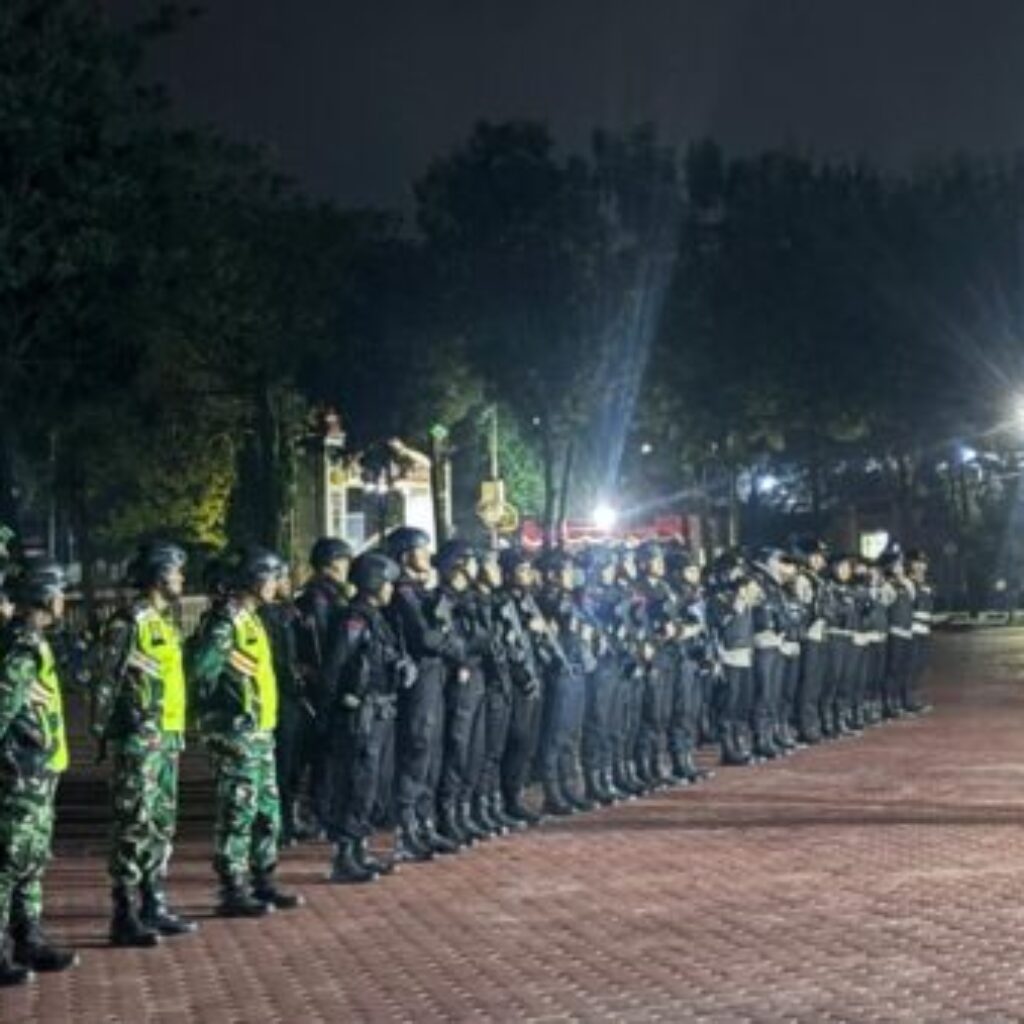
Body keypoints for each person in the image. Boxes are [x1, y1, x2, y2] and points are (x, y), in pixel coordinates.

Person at [189, 547, 303, 917]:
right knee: (238, 808)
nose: (277, 585)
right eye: (272, 577)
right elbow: (201, 672)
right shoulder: (225, 622)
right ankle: (232, 886)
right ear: (254, 579)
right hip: (235, 732)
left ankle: (263, 878)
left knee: (267, 808)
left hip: (259, 730)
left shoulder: (252, 618)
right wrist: (220, 714)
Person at [93, 541, 196, 947]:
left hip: (166, 738)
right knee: (132, 822)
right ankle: (125, 911)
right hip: (138, 739)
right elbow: (106, 680)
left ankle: (154, 900)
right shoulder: (129, 622)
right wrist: (105, 731)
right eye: (177, 572)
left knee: (160, 822)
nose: (182, 579)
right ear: (159, 575)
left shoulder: (163, 622)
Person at [0, 559, 78, 986]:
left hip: (39, 766)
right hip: (20, 771)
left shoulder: (34, 641)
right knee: (10, 860)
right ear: (45, 595)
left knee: (30, 859)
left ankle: (29, 938)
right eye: (60, 590)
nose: (64, 599)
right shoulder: (21, 646)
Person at [324, 552, 411, 883]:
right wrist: (337, 706)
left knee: (373, 783)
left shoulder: (378, 618)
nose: (391, 589)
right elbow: (335, 667)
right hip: (361, 713)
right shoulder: (355, 619)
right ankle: (346, 854)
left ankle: (360, 847)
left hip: (382, 710)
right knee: (357, 782)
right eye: (387, 582)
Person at [385, 527, 460, 861]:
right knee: (417, 751)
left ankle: (425, 823)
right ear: (404, 555)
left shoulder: (417, 590)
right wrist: (451, 645)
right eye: (421, 549)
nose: (427, 555)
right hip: (418, 682)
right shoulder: (402, 593)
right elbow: (423, 638)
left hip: (434, 677)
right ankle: (407, 829)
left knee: (432, 754)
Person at [294, 537, 352, 837]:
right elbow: (322, 645)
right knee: (323, 753)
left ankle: (319, 810)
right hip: (322, 685)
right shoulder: (321, 598)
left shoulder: (319, 595)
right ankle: (318, 812)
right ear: (333, 564)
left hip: (320, 683)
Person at [497, 547, 546, 825]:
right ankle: (506, 799)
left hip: (533, 673)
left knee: (527, 741)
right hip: (516, 681)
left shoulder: (527, 600)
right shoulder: (504, 602)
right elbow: (508, 643)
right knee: (515, 740)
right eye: (521, 570)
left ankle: (516, 794)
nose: (527, 575)